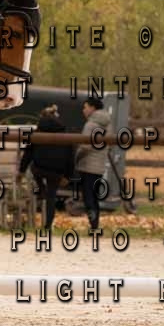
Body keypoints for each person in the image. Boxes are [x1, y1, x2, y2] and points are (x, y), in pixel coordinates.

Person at [16, 105, 74, 230]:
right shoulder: (65, 133)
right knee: (51, 197)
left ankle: (42, 189)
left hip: (40, 168)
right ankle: (48, 225)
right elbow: (70, 157)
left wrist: (21, 171)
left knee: (33, 167)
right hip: (57, 171)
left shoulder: (37, 133)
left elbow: (28, 154)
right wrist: (68, 176)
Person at [74, 97, 111, 230]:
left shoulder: (90, 125)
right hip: (99, 165)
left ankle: (93, 225)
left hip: (88, 165)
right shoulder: (107, 123)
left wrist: (76, 157)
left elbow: (85, 146)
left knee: (88, 198)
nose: (83, 110)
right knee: (94, 198)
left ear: (92, 108)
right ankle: (95, 224)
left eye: (85, 107)